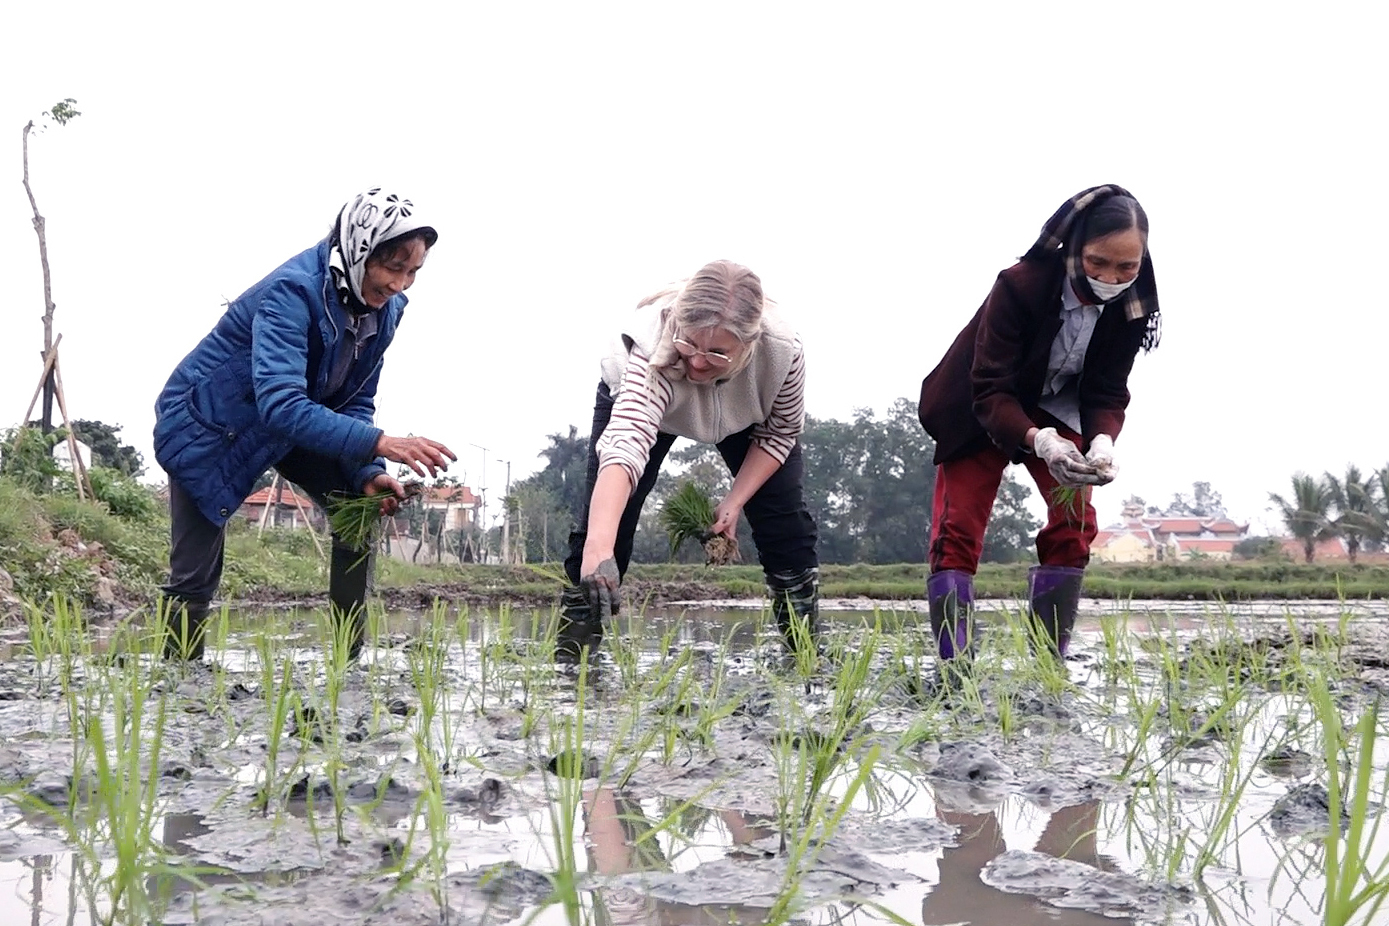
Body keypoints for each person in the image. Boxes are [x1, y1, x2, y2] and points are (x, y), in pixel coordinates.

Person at [153, 188, 456, 662]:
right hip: (210, 425)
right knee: (195, 573)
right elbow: (280, 404)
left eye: (413, 271)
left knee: (359, 506)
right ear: (360, 251)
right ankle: (176, 682)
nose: (400, 284)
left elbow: (356, 400)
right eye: (392, 267)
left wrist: (368, 469)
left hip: (289, 420)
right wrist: (384, 442)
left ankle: (346, 661)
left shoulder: (385, 309)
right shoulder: (293, 291)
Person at [917, 185, 1160, 671]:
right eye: (1098, 262)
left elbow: (1108, 389)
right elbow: (990, 388)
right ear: (1074, 249)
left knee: (1075, 523)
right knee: (958, 526)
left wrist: (1101, 441)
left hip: (1059, 408)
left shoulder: (1133, 305)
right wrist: (1040, 442)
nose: (1111, 278)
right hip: (981, 405)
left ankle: (1048, 662)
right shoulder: (1021, 285)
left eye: (1125, 267)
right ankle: (953, 664)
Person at [562, 260, 819, 659]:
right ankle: (572, 662)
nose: (698, 362)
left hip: (744, 412)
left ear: (749, 344)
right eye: (691, 344)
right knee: (607, 529)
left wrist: (734, 503)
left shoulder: (782, 353)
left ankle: (807, 655)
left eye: (717, 353)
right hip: (653, 407)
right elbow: (625, 446)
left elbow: (780, 432)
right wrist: (598, 550)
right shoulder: (650, 351)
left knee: (786, 526)